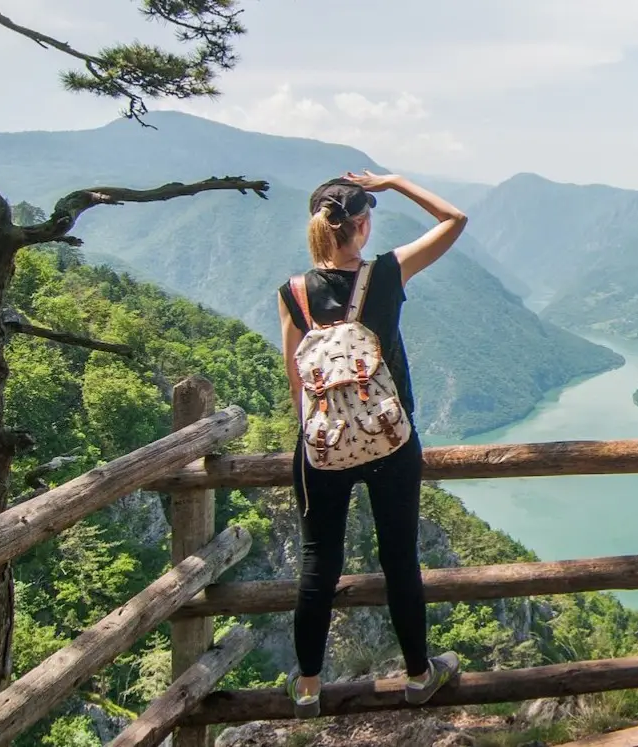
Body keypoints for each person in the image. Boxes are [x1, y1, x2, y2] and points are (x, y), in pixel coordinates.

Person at [276, 171, 468, 717]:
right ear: (361, 225)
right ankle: (417, 676)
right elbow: (455, 219)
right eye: (369, 217)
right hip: (390, 442)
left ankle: (308, 688)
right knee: (399, 561)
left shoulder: (293, 292)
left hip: (321, 448)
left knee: (318, 565)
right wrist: (397, 180)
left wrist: (321, 439)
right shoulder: (386, 273)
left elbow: (296, 378)